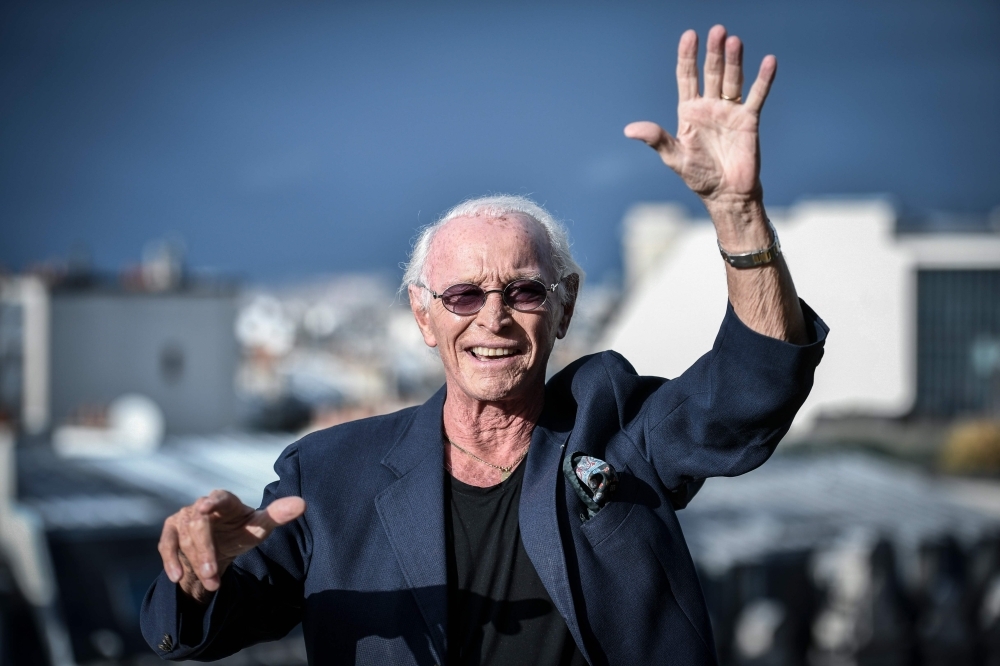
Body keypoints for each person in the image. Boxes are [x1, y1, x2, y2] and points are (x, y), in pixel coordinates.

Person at [141, 25, 827, 665]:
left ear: (565, 308)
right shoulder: (329, 477)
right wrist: (199, 574)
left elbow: (752, 391)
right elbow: (192, 632)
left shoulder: (615, 425)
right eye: (463, 295)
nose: (492, 317)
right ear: (422, 314)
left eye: (524, 291)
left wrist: (739, 217)